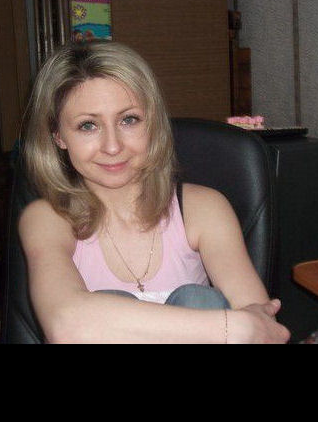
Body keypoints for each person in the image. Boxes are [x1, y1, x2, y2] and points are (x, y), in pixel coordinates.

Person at [19, 41, 290, 344]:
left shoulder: (203, 209)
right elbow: (67, 326)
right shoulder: (47, 219)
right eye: (88, 126)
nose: (112, 146)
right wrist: (232, 328)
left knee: (198, 300)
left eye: (129, 120)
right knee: (112, 300)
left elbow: (263, 329)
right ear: (58, 136)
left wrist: (241, 325)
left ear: (153, 122)